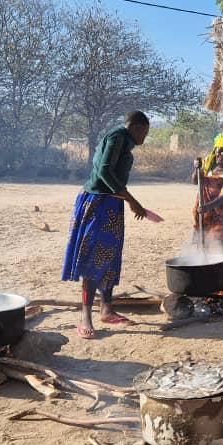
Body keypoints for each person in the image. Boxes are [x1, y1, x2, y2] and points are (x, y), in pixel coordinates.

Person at [62, 111, 149, 339]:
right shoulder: (117, 137)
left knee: (110, 257)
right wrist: (132, 200)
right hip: (97, 204)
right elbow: (104, 171)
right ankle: (85, 317)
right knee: (94, 258)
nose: (145, 138)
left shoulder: (124, 140)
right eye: (145, 132)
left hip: (112, 204)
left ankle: (107, 309)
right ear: (138, 127)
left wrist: (125, 200)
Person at [191, 134, 223, 259]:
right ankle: (205, 267)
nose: (222, 155)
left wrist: (208, 207)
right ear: (215, 150)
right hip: (206, 207)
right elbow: (195, 181)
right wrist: (197, 168)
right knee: (204, 239)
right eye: (220, 151)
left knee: (222, 241)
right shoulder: (208, 162)